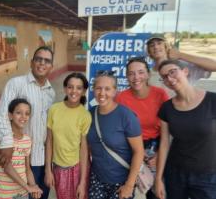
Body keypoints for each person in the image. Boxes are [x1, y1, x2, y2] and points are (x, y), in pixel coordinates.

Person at [0, 46, 55, 199]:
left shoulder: (51, 92)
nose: (42, 63)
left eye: (47, 61)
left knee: (40, 196)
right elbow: (1, 115)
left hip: (40, 159)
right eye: (38, 59)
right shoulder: (16, 84)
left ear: (51, 66)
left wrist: (48, 166)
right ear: (31, 62)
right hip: (18, 158)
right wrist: (7, 143)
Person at [155, 60, 216, 199]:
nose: (169, 78)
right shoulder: (166, 108)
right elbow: (164, 144)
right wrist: (158, 179)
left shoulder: (212, 100)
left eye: (172, 72)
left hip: (208, 176)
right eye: (164, 76)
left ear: (185, 71)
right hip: (175, 173)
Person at [116, 57, 169, 199]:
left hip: (154, 148)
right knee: (125, 191)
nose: (136, 77)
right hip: (130, 148)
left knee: (157, 193)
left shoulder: (160, 94)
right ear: (127, 76)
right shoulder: (121, 98)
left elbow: (167, 133)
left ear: (148, 74)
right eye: (131, 73)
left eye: (140, 72)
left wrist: (158, 155)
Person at [87, 71, 144, 199]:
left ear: (114, 91)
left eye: (107, 89)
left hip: (122, 182)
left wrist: (129, 185)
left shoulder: (127, 116)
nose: (102, 93)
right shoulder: (89, 115)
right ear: (93, 90)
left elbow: (139, 152)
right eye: (98, 88)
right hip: (97, 179)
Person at [45, 72, 91, 199]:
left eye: (78, 87)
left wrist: (82, 182)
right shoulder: (54, 109)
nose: (74, 91)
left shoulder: (85, 115)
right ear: (65, 89)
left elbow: (84, 149)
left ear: (84, 91)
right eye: (70, 87)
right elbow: (49, 141)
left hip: (77, 168)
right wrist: (48, 170)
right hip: (59, 169)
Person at [0, 98, 43, 199]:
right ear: (10, 115)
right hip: (4, 194)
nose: (23, 117)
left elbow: (27, 170)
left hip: (22, 194)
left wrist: (33, 186)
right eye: (19, 113)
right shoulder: (0, 137)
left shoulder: (27, 140)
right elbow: (6, 167)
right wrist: (28, 187)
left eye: (27, 113)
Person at [146, 36, 216, 88]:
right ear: (149, 52)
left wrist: (181, 55)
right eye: (152, 45)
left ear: (166, 47)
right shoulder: (147, 75)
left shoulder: (183, 66)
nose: (156, 47)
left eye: (159, 43)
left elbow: (214, 66)